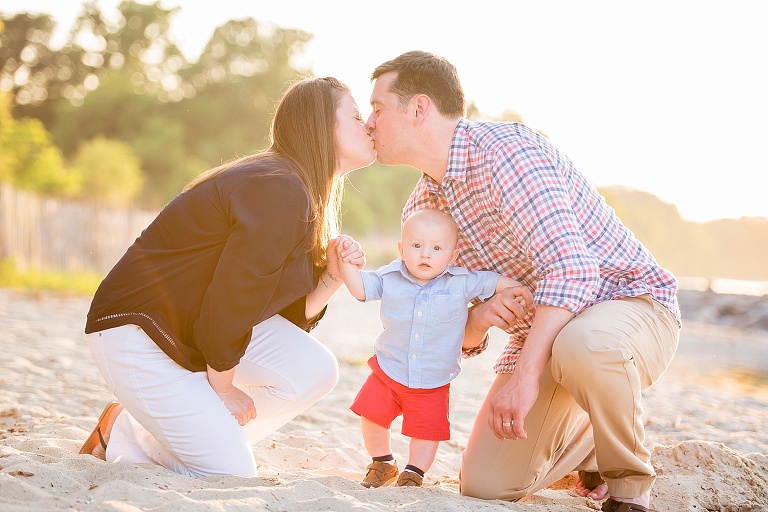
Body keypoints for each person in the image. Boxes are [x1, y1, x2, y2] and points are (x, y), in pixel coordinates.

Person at [363, 51, 681, 512]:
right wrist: (479, 317)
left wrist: (525, 375)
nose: (369, 122)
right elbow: (442, 325)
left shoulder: (504, 152)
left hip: (629, 306)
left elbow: (573, 269)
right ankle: (591, 440)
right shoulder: (422, 213)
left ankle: (630, 487)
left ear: (418, 108)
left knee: (585, 345)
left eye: (377, 107)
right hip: (547, 339)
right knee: (486, 485)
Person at [78, 76, 375, 478]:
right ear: (321, 126)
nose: (369, 125)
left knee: (313, 370)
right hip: (139, 333)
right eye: (356, 116)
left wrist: (331, 279)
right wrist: (223, 388)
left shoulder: (294, 188)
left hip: (184, 329)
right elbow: (233, 300)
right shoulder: (279, 187)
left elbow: (271, 316)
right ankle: (130, 437)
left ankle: (131, 429)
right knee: (231, 474)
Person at [339, 208, 533, 488]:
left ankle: (414, 472)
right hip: (389, 369)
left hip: (433, 378)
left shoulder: (462, 281)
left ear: (452, 256)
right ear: (401, 249)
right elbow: (359, 288)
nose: (425, 254)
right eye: (416, 246)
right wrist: (345, 262)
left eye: (437, 248)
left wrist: (520, 290)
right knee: (372, 415)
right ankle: (382, 461)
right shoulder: (390, 276)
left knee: (427, 430)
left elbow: (494, 282)